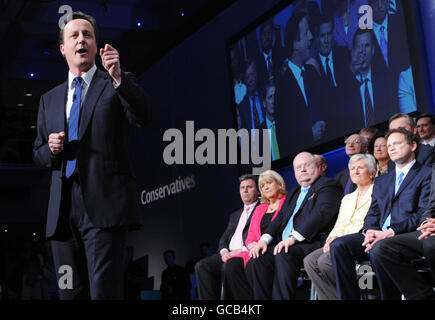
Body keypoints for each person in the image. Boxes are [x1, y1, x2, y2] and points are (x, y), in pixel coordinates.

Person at [32, 12, 152, 299]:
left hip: (104, 207)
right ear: (63, 49)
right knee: (68, 293)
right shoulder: (48, 99)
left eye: (87, 34)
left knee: (104, 293)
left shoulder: (113, 82)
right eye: (73, 35)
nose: (81, 40)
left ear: (96, 45)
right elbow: (38, 154)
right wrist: (51, 149)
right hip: (62, 215)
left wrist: (120, 78)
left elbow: (144, 115)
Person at [330, 128, 432, 300]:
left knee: (380, 248)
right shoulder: (382, 180)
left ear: (413, 145)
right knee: (339, 245)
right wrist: (369, 232)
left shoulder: (427, 174)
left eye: (397, 143)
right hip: (378, 234)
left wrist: (389, 232)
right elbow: (373, 212)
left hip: (403, 234)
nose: (391, 148)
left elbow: (422, 214)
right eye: (389, 145)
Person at [247, 152, 342, 299]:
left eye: (307, 165)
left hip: (312, 242)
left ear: (317, 167)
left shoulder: (328, 185)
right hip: (287, 244)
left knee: (284, 252)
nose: (302, 170)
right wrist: (263, 241)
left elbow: (321, 214)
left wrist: (294, 237)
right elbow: (278, 219)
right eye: (298, 168)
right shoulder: (294, 193)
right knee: (258, 257)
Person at [304, 154, 376, 300]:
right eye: (352, 168)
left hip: (361, 239)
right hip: (340, 241)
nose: (355, 171)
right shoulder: (347, 198)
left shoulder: (378, 192)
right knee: (310, 261)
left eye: (360, 168)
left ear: (372, 173)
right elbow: (340, 224)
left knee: (324, 262)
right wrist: (330, 240)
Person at [370, 164, 435, 300]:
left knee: (431, 245)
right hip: (428, 228)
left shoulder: (424, 172)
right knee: (381, 248)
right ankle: (423, 296)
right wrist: (426, 223)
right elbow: (431, 205)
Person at [223, 170, 288, 300]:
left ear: (279, 184)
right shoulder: (260, 208)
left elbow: (278, 226)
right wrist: (251, 244)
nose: (266, 187)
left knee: (254, 263)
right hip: (255, 249)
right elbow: (251, 233)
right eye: (263, 185)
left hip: (275, 246)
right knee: (233, 265)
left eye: (269, 183)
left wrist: (258, 244)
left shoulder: (286, 202)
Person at [195, 175, 260, 300]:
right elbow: (224, 238)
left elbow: (259, 236)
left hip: (245, 254)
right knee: (202, 266)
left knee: (230, 265)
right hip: (228, 254)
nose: (245, 190)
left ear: (257, 191)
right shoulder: (235, 215)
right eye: (242, 188)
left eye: (249, 187)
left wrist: (241, 250)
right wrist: (224, 251)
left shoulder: (262, 209)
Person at [274, 10, 325, 157]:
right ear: (295, 44)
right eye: (306, 33)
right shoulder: (282, 88)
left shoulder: (312, 73)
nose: (311, 37)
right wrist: (310, 134)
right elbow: (284, 139)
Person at [340, 28, 396, 131]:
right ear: (352, 52)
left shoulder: (386, 81)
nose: (363, 51)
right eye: (359, 47)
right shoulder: (345, 88)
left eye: (367, 46)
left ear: (373, 50)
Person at [261, 82, 280, 161]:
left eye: (275, 96)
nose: (273, 101)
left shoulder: (288, 126)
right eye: (270, 97)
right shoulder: (258, 133)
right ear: (264, 103)